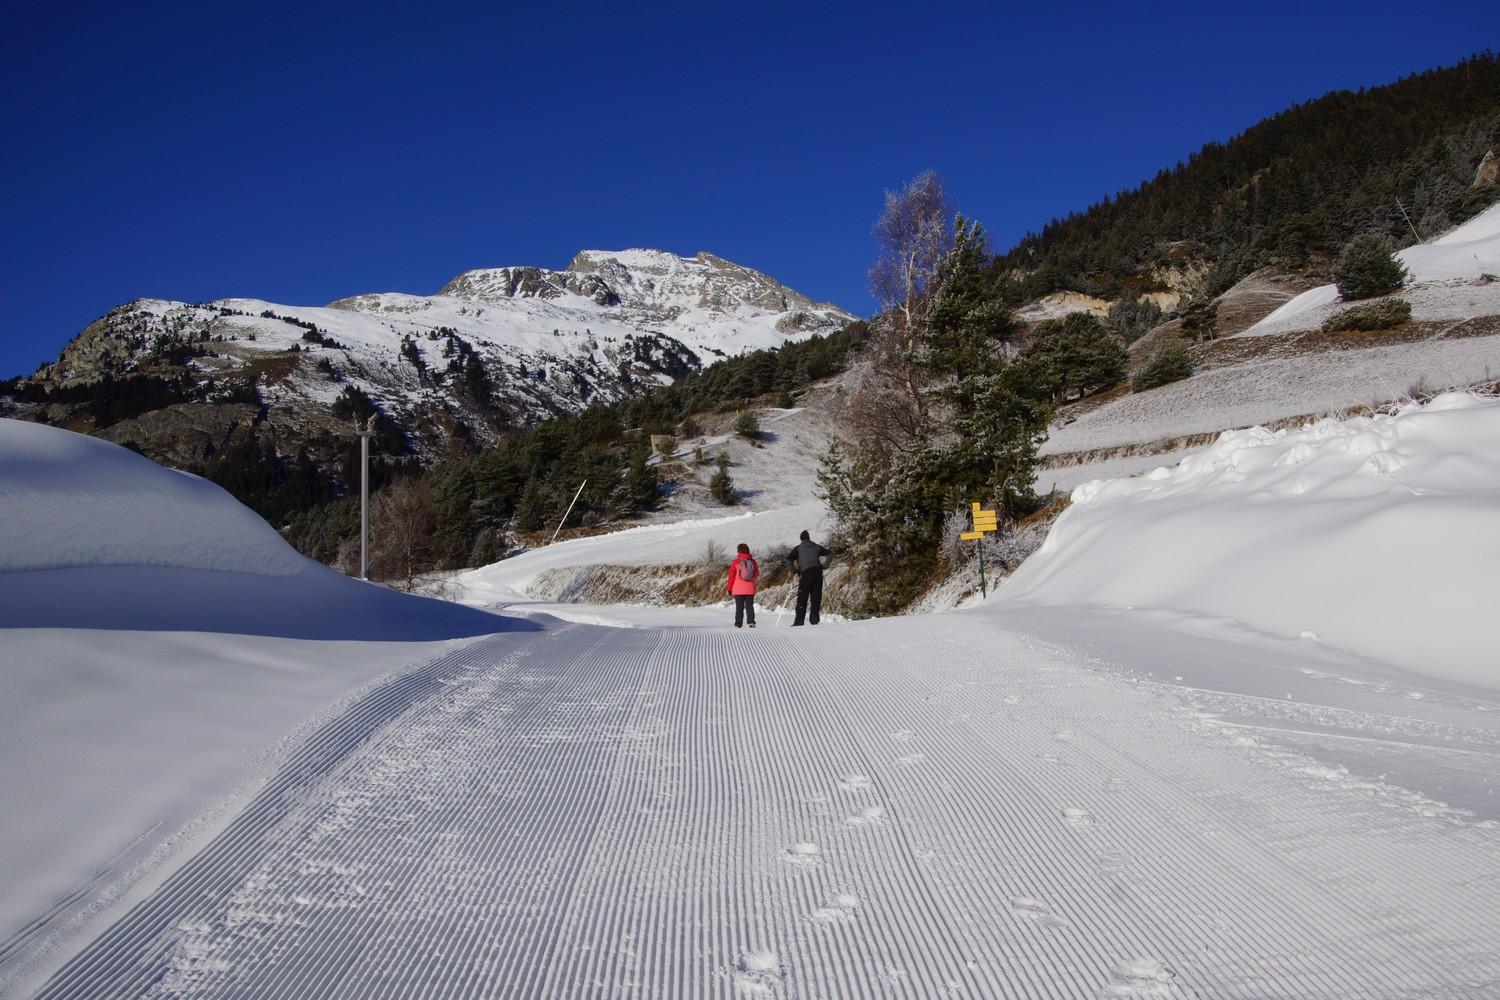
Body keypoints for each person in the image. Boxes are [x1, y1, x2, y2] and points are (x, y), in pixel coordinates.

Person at [787, 530, 830, 626]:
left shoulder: (798, 548)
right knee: (816, 597)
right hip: (817, 573)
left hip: (805, 574)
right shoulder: (816, 546)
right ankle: (814, 619)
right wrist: (825, 565)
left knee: (802, 597)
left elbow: (789, 559)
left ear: (801, 539)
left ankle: (799, 621)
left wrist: (795, 571)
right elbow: (829, 554)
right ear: (809, 538)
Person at [726, 542, 759, 628]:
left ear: (739, 551)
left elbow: (731, 576)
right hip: (750, 588)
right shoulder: (753, 562)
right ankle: (751, 622)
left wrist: (729, 588)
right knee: (749, 606)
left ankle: (738, 623)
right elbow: (756, 574)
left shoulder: (736, 562)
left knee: (739, 607)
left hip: (738, 589)